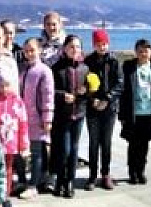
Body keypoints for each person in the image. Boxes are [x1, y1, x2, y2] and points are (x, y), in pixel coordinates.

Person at [118, 39, 151, 186]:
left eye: (146, 50)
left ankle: (141, 171)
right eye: (140, 50)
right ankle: (132, 172)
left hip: (150, 113)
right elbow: (123, 92)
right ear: (136, 52)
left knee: (144, 145)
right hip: (134, 113)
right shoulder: (129, 67)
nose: (143, 53)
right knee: (133, 145)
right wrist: (122, 114)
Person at [49, 35, 89, 198]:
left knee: (74, 149)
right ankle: (60, 179)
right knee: (63, 149)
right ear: (64, 49)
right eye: (71, 46)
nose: (74, 50)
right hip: (62, 116)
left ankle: (69, 181)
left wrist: (85, 91)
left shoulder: (85, 68)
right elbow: (50, 91)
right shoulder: (56, 68)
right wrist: (62, 95)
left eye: (77, 47)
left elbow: (89, 90)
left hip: (78, 114)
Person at [82, 29, 121, 191]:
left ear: (108, 44)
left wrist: (107, 99)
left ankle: (105, 174)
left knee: (106, 143)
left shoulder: (114, 61)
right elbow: (84, 84)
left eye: (104, 44)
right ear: (94, 45)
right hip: (92, 108)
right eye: (98, 44)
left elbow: (120, 84)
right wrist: (93, 100)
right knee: (93, 142)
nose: (102, 47)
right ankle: (92, 176)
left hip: (109, 108)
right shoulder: (88, 61)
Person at [18, 38, 53, 200]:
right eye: (26, 50)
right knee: (22, 151)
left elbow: (48, 96)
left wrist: (47, 117)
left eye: (32, 50)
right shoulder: (24, 70)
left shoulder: (44, 70)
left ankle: (33, 185)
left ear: (39, 50)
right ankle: (23, 181)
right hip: (23, 118)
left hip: (38, 117)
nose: (29, 53)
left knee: (37, 152)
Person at [0, 75, 29, 201]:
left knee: (8, 167)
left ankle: (5, 192)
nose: (4, 89)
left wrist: (23, 143)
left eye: (7, 85)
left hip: (12, 139)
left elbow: (23, 122)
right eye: (2, 86)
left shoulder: (18, 101)